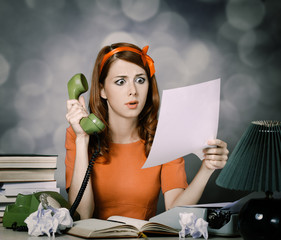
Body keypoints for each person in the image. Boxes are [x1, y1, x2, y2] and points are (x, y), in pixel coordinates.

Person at [65, 42, 229, 220]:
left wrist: (207, 168)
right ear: (103, 90)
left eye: (140, 80)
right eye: (121, 82)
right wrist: (82, 140)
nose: (133, 91)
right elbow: (82, 216)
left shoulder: (164, 136)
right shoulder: (78, 135)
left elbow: (177, 212)